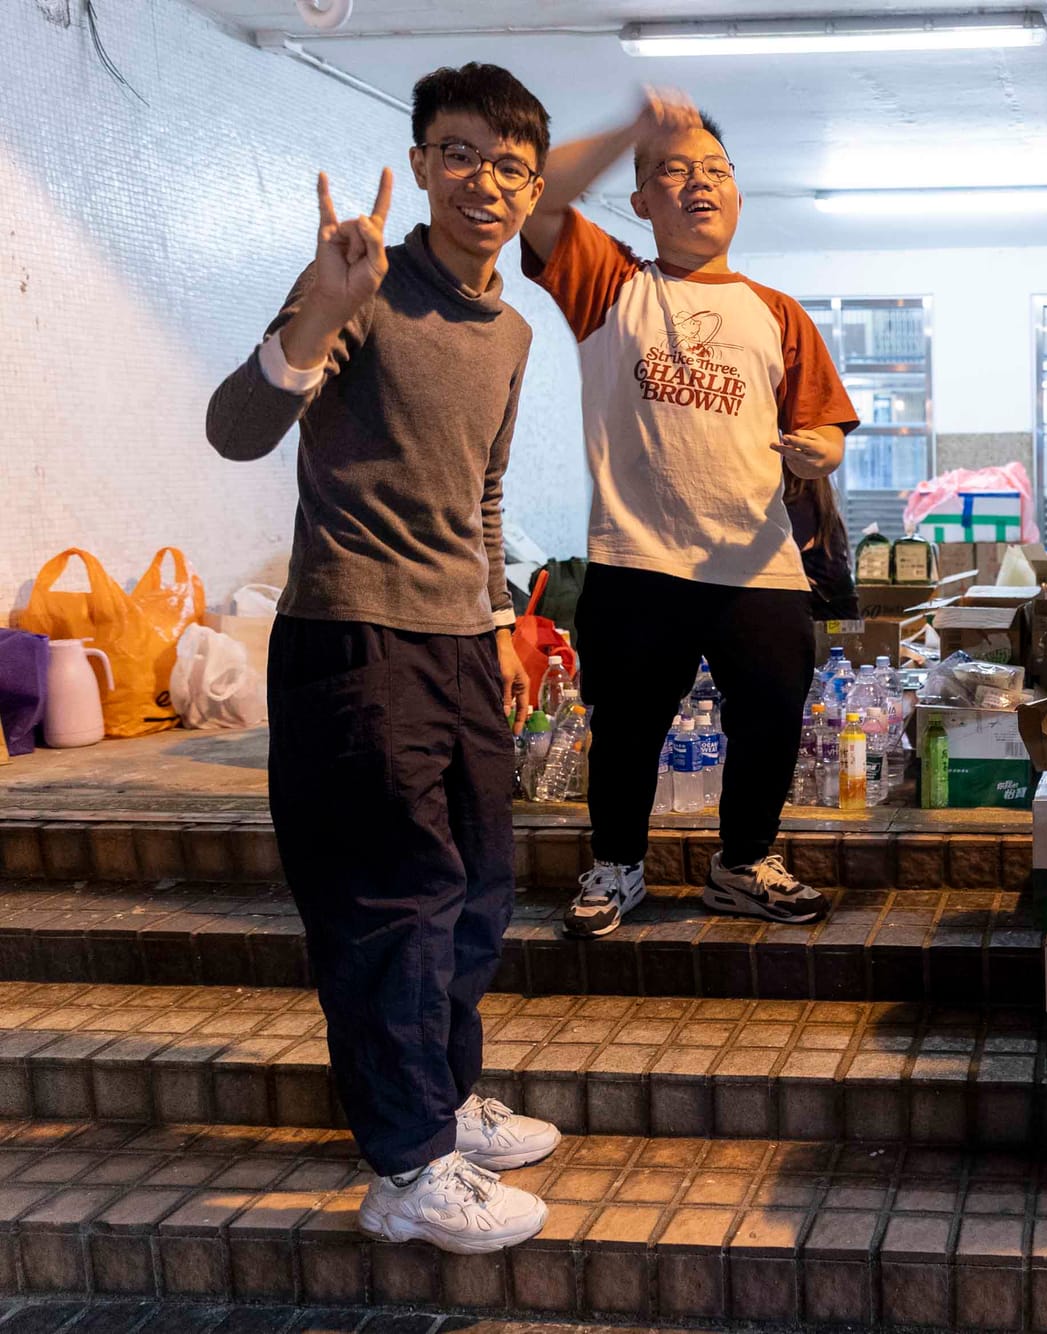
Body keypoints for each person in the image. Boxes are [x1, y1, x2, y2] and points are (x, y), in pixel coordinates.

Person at [204, 63, 560, 1253]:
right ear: (418, 163)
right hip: (354, 635)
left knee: (478, 890)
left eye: (510, 166)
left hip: (459, 644)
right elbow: (234, 428)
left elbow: (484, 492)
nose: (484, 183)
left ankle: (443, 1102)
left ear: (532, 188)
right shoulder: (359, 280)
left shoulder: (511, 331)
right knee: (393, 901)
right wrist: (315, 311)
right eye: (459, 154)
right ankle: (407, 1169)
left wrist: (500, 619)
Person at [520, 91, 858, 938]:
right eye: (674, 171)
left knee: (771, 715)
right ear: (641, 201)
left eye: (715, 169)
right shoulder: (611, 287)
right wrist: (638, 127)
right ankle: (617, 866)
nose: (699, 182)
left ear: (738, 192)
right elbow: (540, 197)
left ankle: (743, 864)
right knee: (628, 726)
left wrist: (820, 452)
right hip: (637, 555)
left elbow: (823, 426)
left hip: (758, 560)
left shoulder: (778, 312)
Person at [786, 473, 860, 622]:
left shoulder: (801, 505)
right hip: (838, 616)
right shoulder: (816, 505)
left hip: (827, 618)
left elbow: (773, 555)